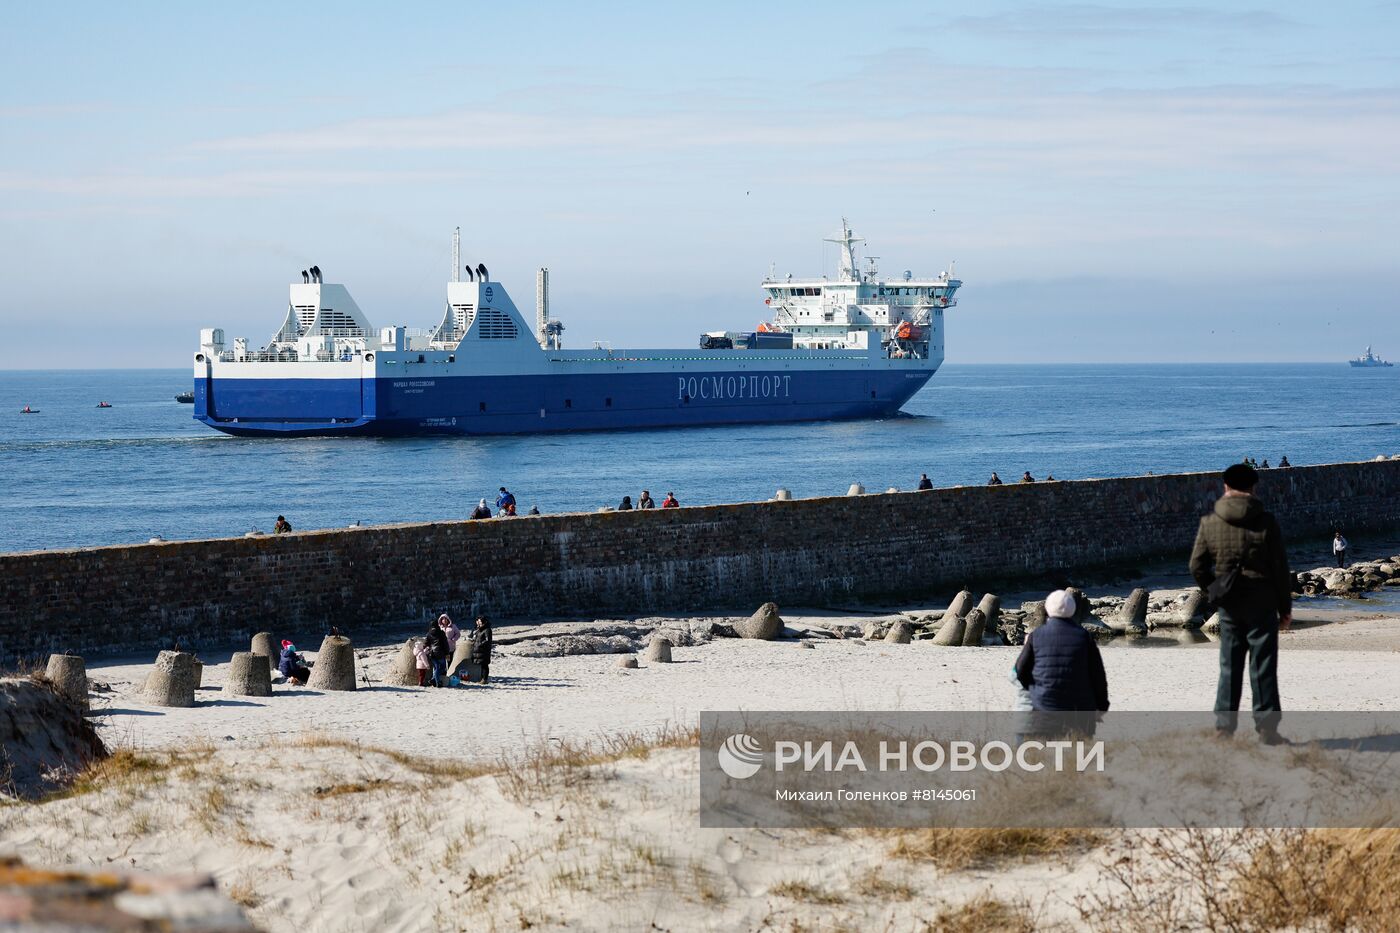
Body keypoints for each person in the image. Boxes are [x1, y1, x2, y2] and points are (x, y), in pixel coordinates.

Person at [1189, 462, 1291, 743]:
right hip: (1262, 599)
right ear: (1252, 487)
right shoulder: (1266, 521)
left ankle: (1224, 728)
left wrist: (1213, 590)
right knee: (1264, 665)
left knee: (1230, 664)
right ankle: (1267, 730)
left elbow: (1196, 565)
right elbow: (1280, 568)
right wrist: (1285, 608)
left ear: (1225, 487)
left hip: (1230, 602)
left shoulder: (1210, 523)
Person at [1013, 589, 1109, 737]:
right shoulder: (1084, 637)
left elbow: (1020, 671)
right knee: (1079, 751)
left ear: (1048, 608)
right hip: (1079, 708)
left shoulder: (1036, 636)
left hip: (1044, 706)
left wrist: (1035, 690)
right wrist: (1102, 706)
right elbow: (1098, 676)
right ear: (1073, 610)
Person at [424, 619, 451, 687]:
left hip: (432, 653)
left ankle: (433, 680)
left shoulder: (428, 634)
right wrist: (447, 653)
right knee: (442, 667)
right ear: (437, 624)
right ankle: (437, 682)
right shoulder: (441, 633)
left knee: (436, 668)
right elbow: (445, 644)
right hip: (440, 653)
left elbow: (425, 644)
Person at [470, 616, 493, 684]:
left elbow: (487, 640)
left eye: (480, 621)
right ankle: (482, 678)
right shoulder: (479, 629)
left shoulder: (487, 629)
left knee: (484, 665)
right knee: (481, 665)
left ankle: (484, 679)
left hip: (484, 650)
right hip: (479, 650)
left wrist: (479, 644)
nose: (478, 622)